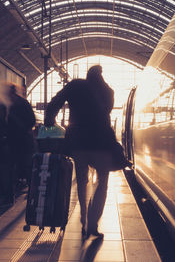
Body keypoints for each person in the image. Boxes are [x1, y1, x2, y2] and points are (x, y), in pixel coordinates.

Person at [44, 65, 126, 238]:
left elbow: (55, 102)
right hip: (102, 142)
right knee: (102, 182)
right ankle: (93, 224)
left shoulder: (75, 85)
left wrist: (50, 120)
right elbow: (107, 111)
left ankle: (83, 218)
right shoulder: (108, 91)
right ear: (101, 75)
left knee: (82, 180)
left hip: (79, 141)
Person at [6, 84, 36, 204]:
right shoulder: (18, 105)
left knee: (21, 168)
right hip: (20, 142)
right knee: (24, 168)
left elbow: (31, 122)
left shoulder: (20, 105)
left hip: (21, 142)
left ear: (12, 93)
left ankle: (13, 197)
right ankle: (31, 195)